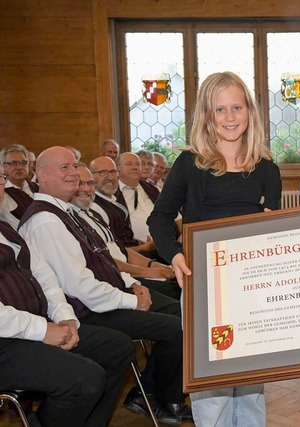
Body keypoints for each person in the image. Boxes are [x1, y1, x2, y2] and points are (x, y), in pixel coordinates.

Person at [18, 146, 191, 425]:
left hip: (104, 298)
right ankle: (156, 397)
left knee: (178, 316)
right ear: (40, 174)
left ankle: (155, 395)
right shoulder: (45, 220)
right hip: (86, 309)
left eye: (74, 166)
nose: (74, 173)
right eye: (64, 168)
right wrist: (132, 300)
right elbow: (78, 285)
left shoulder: (67, 212)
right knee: (173, 328)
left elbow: (108, 260)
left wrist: (134, 284)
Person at [148, 71, 282, 426]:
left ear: (249, 111)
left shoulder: (267, 168)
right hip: (203, 288)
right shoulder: (189, 163)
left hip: (252, 288)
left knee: (252, 383)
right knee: (211, 389)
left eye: (236, 107)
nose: (229, 117)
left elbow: (275, 230)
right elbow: (159, 219)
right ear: (206, 116)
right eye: (219, 109)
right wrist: (175, 256)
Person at [0, 163, 133, 427]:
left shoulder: (6, 228)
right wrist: (42, 330)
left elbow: (43, 274)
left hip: (32, 328)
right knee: (84, 379)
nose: (0, 185)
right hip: (6, 341)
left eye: (0, 178)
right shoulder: (41, 218)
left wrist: (64, 317)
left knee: (116, 348)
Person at [71, 164, 181, 300]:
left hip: (131, 271)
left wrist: (154, 265)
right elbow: (105, 261)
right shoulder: (71, 219)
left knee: (183, 283)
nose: (86, 189)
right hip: (116, 282)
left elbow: (121, 250)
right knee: (180, 301)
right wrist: (150, 270)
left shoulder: (92, 213)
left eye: (90, 184)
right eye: (80, 183)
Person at [0, 144, 38, 224]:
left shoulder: (38, 188)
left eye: (23, 162)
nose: (19, 167)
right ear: (3, 166)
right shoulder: (2, 194)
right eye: (13, 163)